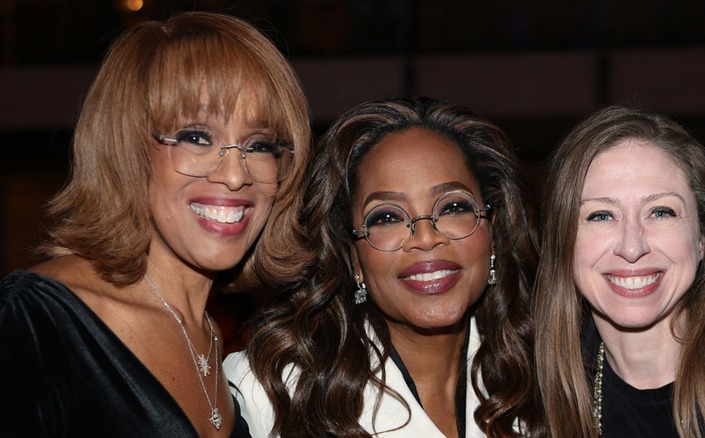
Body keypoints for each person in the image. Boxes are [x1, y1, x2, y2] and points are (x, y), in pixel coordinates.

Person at [0, 11, 311, 437]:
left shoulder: (213, 339)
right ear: (128, 148)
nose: (236, 174)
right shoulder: (37, 320)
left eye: (259, 144)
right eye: (197, 137)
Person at [224, 96, 544, 437]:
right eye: (387, 217)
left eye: (452, 207)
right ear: (353, 256)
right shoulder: (270, 390)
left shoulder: (553, 375)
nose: (425, 237)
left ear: (492, 231)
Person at [534, 105, 705, 438]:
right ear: (562, 244)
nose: (632, 247)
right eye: (601, 216)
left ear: (704, 237)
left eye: (661, 212)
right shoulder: (530, 397)